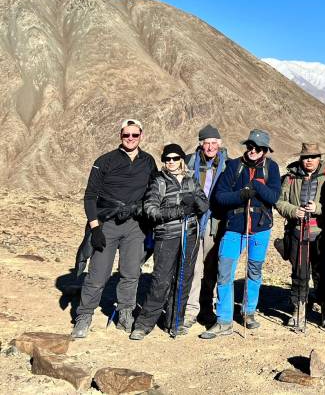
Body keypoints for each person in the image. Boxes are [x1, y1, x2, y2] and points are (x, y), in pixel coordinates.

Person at [71, 119, 157, 339]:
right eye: (126, 135)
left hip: (135, 226)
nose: (130, 139)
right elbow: (90, 196)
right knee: (98, 273)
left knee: (130, 273)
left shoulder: (148, 162)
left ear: (141, 135)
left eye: (134, 135)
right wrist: (95, 227)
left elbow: (154, 193)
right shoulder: (105, 161)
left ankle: (126, 312)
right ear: (120, 135)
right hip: (106, 224)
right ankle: (84, 315)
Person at [200, 129, 281, 339]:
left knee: (254, 270)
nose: (253, 151)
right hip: (234, 228)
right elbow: (219, 198)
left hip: (260, 228)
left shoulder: (271, 168)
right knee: (225, 271)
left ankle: (248, 311)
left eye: (259, 148)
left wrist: (256, 187)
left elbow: (273, 196)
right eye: (250, 146)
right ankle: (224, 320)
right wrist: (241, 195)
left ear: (265, 150)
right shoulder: (234, 166)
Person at [130, 144, 209, 340]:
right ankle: (143, 324)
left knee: (184, 279)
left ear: (182, 159)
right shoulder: (159, 181)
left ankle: (175, 322)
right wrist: (179, 210)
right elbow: (150, 210)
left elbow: (204, 204)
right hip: (166, 237)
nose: (171, 162)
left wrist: (194, 202)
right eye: (167, 159)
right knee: (161, 280)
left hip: (189, 237)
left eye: (175, 158)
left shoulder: (191, 181)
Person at [275, 143, 325, 330]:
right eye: (305, 157)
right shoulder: (290, 177)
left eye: (313, 156)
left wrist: (317, 208)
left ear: (319, 158)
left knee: (322, 273)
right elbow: (279, 201)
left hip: (320, 232)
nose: (309, 160)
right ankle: (298, 308)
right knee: (299, 273)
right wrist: (294, 211)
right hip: (296, 231)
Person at [184, 125, 228, 328]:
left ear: (219, 144)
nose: (210, 147)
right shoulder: (190, 163)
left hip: (215, 223)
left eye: (213, 143)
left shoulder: (228, 165)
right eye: (206, 143)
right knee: (193, 267)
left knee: (211, 268)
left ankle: (207, 308)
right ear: (201, 144)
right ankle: (190, 310)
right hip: (194, 221)